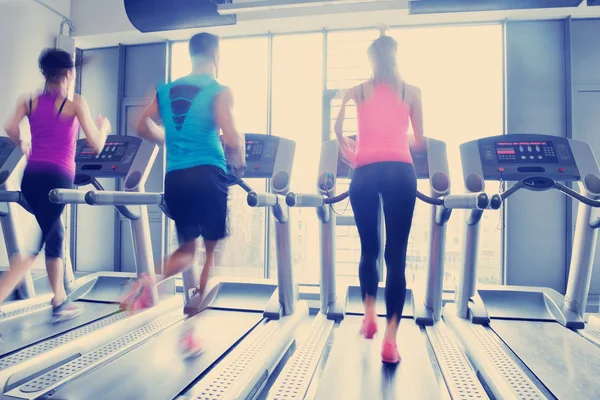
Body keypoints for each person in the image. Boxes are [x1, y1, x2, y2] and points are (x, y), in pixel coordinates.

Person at [122, 32, 245, 357]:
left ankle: (149, 280)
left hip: (176, 177)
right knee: (210, 252)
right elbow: (230, 136)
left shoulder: (166, 91)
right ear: (216, 55)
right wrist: (241, 158)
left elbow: (140, 124)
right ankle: (190, 331)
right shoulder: (219, 90)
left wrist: (166, 139)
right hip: (209, 174)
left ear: (191, 55)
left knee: (186, 249)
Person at [1, 48, 110, 324]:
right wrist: (105, 127)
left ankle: (59, 300)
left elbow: (9, 127)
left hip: (31, 178)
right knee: (33, 248)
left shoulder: (29, 101)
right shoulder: (75, 104)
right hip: (56, 179)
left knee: (56, 235)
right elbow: (96, 144)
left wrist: (23, 143)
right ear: (68, 74)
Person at [334, 35, 424, 364]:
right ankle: (390, 342)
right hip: (400, 171)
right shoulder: (411, 92)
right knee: (395, 255)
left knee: (368, 248)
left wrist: (350, 147)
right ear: (396, 56)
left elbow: (337, 128)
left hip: (364, 172)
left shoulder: (356, 91)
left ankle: (369, 316)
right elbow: (419, 141)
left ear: (370, 59)